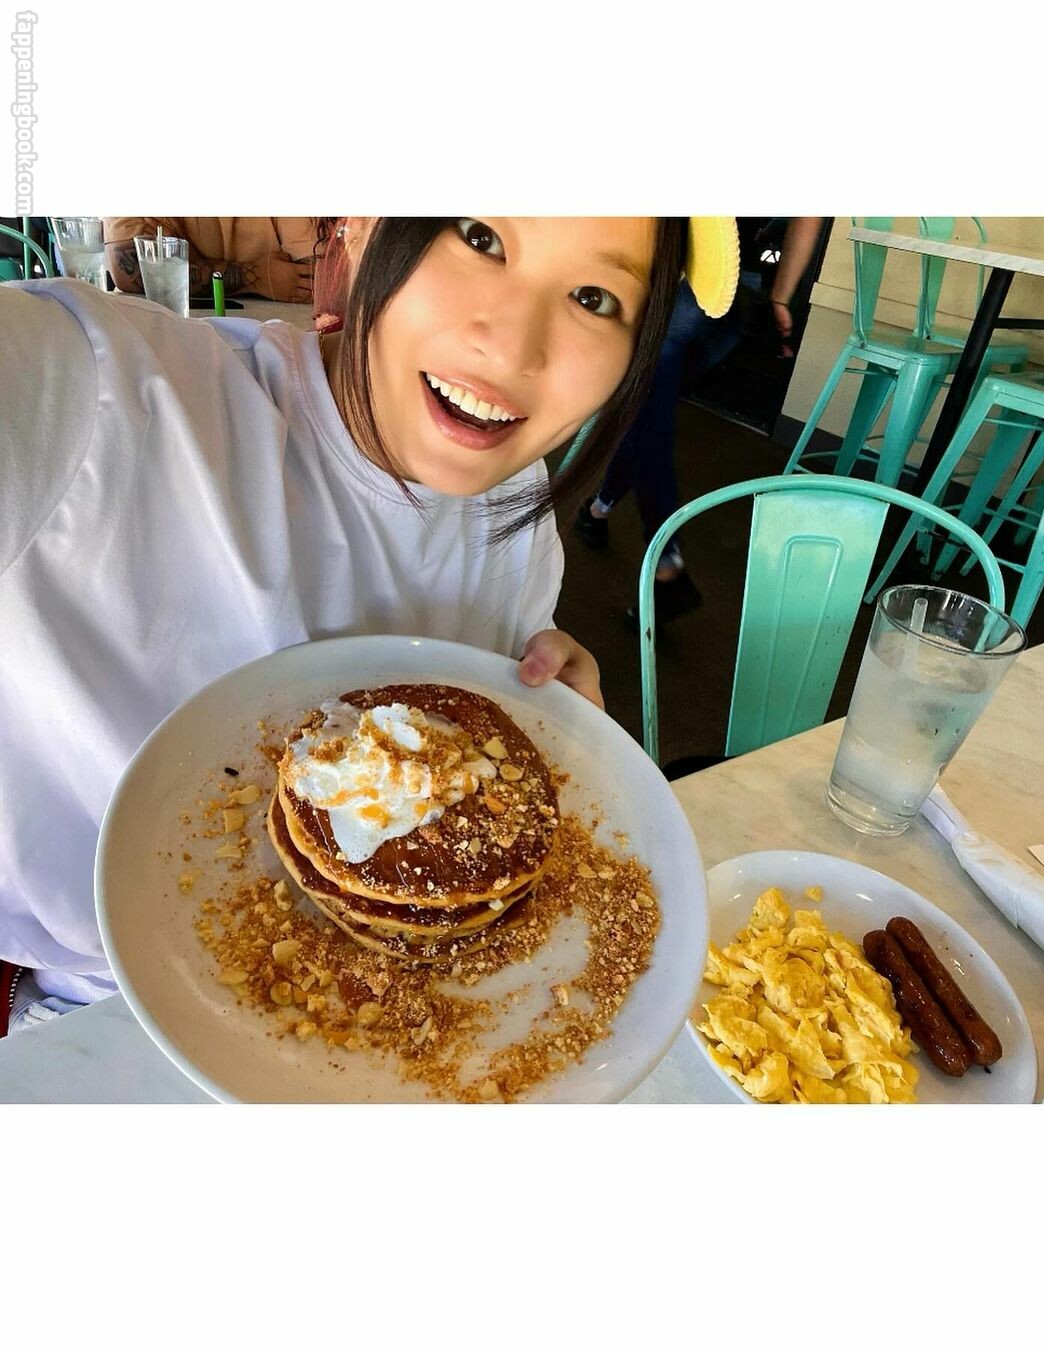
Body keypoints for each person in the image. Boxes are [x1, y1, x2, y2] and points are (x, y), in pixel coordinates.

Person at [0, 215, 709, 1024]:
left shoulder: (515, 499)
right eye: (480, 236)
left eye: (593, 296)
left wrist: (544, 710)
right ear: (365, 221)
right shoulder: (99, 392)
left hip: (400, 1016)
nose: (515, 349)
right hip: (97, 1023)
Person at [576, 217, 824, 625]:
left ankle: (667, 565)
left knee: (648, 421)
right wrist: (780, 297)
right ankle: (600, 509)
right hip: (736, 296)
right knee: (647, 415)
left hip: (680, 280)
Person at [103, 216, 328, 303]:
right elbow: (132, 273)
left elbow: (313, 278)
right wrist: (259, 277)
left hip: (274, 344)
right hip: (172, 341)